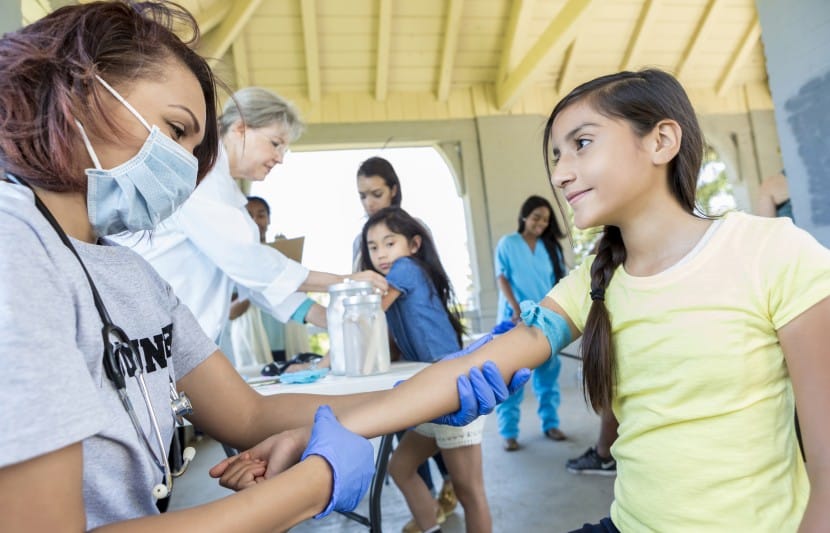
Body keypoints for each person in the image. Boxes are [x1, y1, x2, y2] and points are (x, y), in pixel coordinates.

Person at [221, 68, 830, 532]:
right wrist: (325, 432)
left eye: (582, 144)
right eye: (557, 155)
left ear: (662, 139)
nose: (562, 172)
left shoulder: (771, 251)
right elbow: (460, 371)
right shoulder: (594, 280)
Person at [0, 3, 525, 531]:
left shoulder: (129, 273)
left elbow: (249, 413)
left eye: (192, 146)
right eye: (176, 128)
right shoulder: (16, 243)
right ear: (79, 88)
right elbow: (259, 270)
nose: (184, 165)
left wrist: (432, 393)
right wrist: (311, 486)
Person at [114, 85, 387, 346]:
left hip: (176, 338)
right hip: (149, 329)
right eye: (275, 143)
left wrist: (326, 318)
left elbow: (255, 284)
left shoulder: (225, 193)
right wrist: (343, 282)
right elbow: (251, 263)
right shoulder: (199, 178)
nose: (279, 158)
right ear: (241, 128)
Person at [358, 206, 490, 533]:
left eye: (389, 243)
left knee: (469, 490)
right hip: (433, 391)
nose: (381, 254)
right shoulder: (400, 274)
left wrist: (322, 362)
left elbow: (365, 318)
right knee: (400, 467)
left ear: (413, 245)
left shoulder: (404, 268)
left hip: (454, 388)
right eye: (373, 247)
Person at [352, 155, 457, 514]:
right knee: (409, 428)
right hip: (404, 359)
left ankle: (443, 491)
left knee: (438, 433)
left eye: (376, 193)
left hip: (435, 364)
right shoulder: (365, 242)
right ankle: (427, 504)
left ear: (393, 190)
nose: (369, 203)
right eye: (362, 196)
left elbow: (367, 309)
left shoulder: (407, 254)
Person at [494, 195, 568, 451]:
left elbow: (561, 283)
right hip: (515, 320)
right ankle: (509, 433)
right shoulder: (508, 243)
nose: (541, 223)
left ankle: (550, 424)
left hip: (546, 321)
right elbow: (502, 278)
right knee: (512, 379)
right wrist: (516, 308)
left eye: (546, 220)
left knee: (548, 378)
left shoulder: (551, 248)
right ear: (524, 216)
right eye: (536, 217)